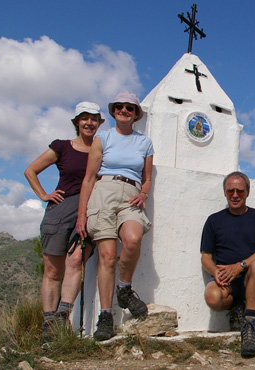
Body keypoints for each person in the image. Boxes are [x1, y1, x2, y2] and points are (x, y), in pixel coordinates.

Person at [76, 91, 154, 341]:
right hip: (104, 191)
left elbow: (148, 178)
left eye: (129, 108)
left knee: (132, 239)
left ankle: (124, 288)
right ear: (113, 111)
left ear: (135, 114)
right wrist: (81, 215)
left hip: (131, 193)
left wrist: (143, 193)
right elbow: (89, 178)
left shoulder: (145, 142)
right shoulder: (103, 138)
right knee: (107, 256)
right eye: (119, 106)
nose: (124, 110)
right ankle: (106, 315)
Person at [24, 102, 104, 340]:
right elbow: (31, 170)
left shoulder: (103, 149)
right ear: (76, 122)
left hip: (89, 211)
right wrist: (43, 194)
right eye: (84, 118)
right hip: (61, 210)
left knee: (76, 260)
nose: (89, 123)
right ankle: (48, 325)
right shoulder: (62, 147)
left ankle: (62, 316)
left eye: (94, 119)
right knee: (52, 269)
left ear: (99, 123)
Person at [200, 171, 255, 358]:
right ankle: (236, 307)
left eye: (240, 191)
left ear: (247, 192)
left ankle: (249, 325)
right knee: (212, 298)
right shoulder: (214, 220)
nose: (235, 195)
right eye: (230, 191)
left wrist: (240, 266)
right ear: (225, 193)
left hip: (250, 276)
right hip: (225, 279)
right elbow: (206, 257)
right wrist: (215, 272)